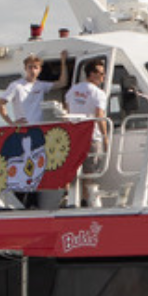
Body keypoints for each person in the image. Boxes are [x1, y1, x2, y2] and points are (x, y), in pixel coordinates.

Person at [65, 57, 111, 207]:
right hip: (92, 136)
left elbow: (67, 109)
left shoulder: (72, 90)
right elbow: (100, 115)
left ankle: (70, 199)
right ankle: (88, 201)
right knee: (90, 172)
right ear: (91, 74)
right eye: (100, 73)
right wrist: (105, 137)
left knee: (73, 170)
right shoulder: (98, 93)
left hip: (74, 136)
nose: (102, 77)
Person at [0, 55, 46, 124]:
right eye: (30, 67)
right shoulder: (16, 85)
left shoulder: (42, 85)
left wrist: (63, 62)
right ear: (25, 68)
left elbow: (62, 83)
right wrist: (11, 124)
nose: (32, 70)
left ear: (40, 69)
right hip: (23, 129)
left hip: (39, 128)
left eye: (35, 67)